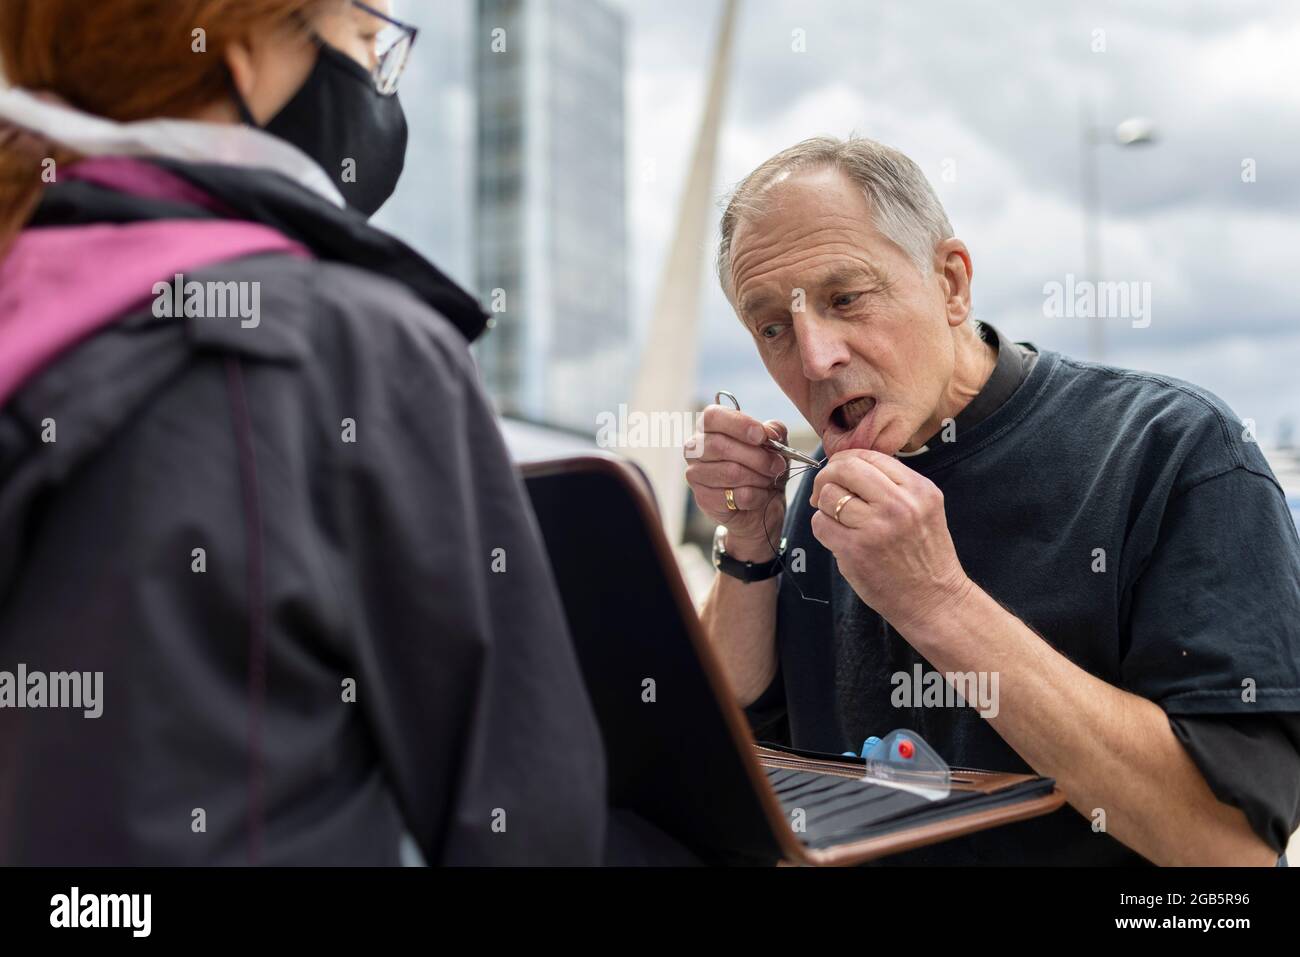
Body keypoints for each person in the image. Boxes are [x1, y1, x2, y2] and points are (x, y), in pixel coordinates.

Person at [0, 0, 609, 865]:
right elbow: (530, 820)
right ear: (240, 50)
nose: (377, 86)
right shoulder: (353, 348)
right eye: (367, 42)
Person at [685, 135, 1300, 865]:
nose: (816, 358)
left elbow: (1227, 848)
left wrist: (939, 602)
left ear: (950, 282)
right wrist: (750, 543)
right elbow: (727, 744)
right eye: (773, 328)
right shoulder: (822, 490)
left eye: (845, 297)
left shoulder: (1174, 452)